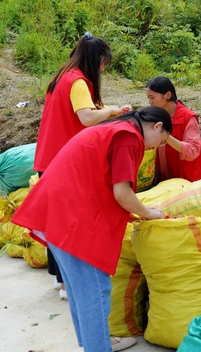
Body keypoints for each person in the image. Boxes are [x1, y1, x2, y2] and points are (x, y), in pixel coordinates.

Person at [12, 107, 172, 352]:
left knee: (81, 291)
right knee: (95, 291)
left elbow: (100, 180)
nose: (155, 148)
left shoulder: (113, 128)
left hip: (57, 209)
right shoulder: (128, 137)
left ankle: (93, 344)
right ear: (157, 126)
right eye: (160, 142)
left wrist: (130, 212)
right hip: (69, 216)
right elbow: (122, 193)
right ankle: (97, 347)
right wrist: (149, 212)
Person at [33, 32, 130, 301]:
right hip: (62, 161)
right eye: (103, 64)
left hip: (48, 157)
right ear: (95, 59)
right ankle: (67, 284)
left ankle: (59, 279)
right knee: (67, 223)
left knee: (54, 221)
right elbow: (87, 118)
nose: (103, 69)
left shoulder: (62, 77)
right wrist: (110, 110)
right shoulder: (77, 82)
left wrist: (107, 110)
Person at [145, 76, 201, 182]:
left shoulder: (188, 117)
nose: (149, 102)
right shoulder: (154, 116)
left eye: (152, 97)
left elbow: (193, 150)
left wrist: (166, 136)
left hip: (188, 182)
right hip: (165, 179)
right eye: (148, 97)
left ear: (168, 95)